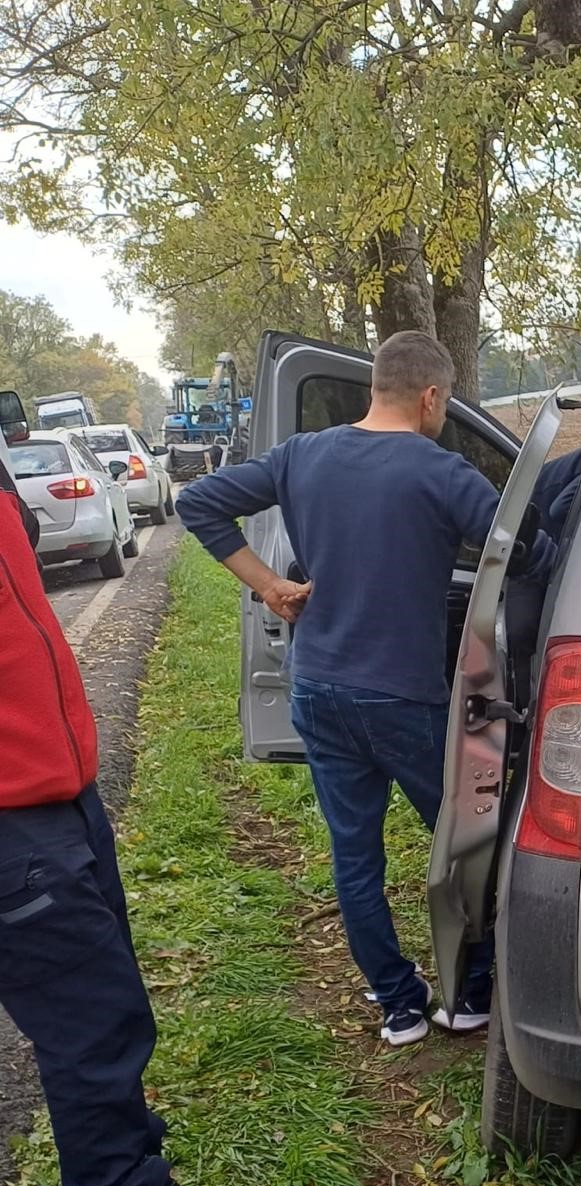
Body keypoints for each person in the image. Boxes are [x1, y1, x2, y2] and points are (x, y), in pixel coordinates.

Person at [178, 332, 550, 1047]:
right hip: (404, 699)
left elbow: (200, 504)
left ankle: (398, 1004)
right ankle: (471, 993)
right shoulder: (442, 473)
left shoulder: (302, 456)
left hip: (317, 687)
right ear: (432, 397)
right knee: (467, 844)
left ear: (376, 387)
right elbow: (526, 551)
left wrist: (272, 586)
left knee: (355, 855)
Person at [0, 446, 228, 1186]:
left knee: (116, 998)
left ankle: (133, 1170)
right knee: (89, 1025)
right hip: (10, 817)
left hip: (61, 790)